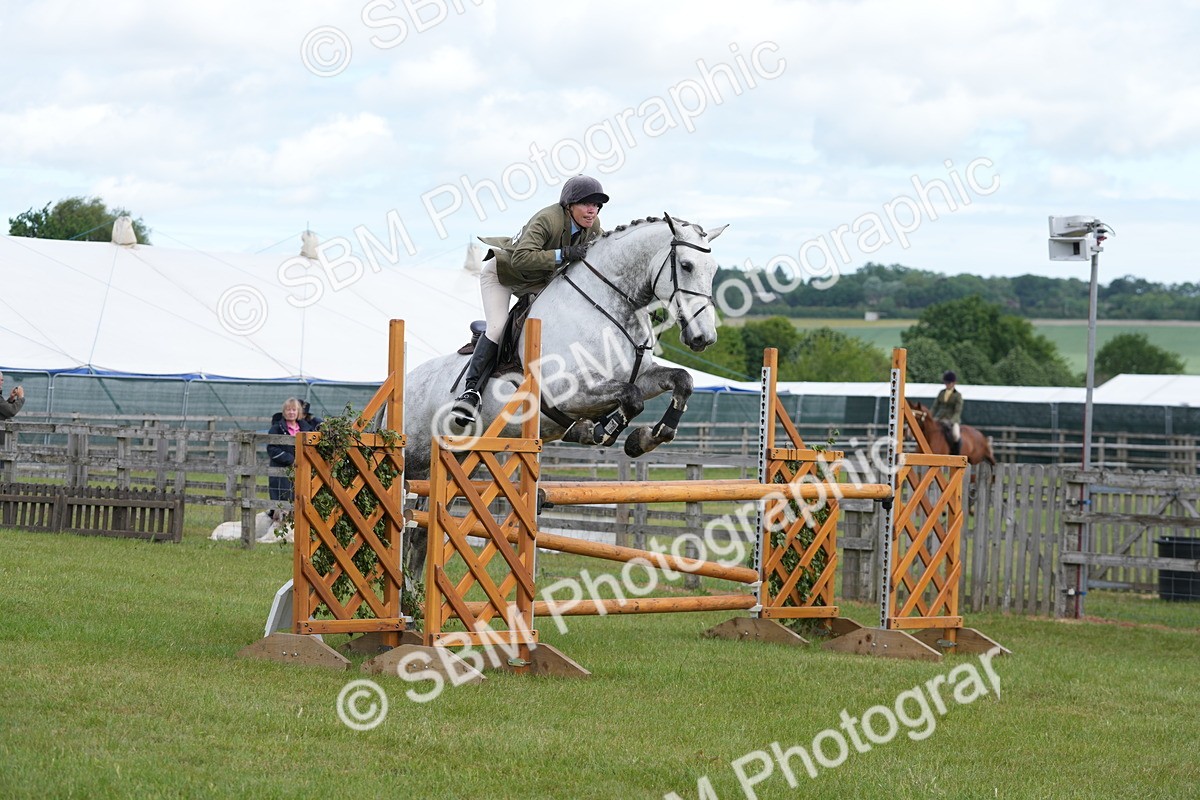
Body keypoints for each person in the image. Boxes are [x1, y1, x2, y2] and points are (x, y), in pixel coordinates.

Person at [453, 174, 610, 425]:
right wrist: (564, 253)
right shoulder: (547, 218)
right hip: (503, 273)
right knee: (498, 326)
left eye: (597, 205)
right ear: (569, 205)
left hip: (536, 280)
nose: (592, 210)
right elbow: (520, 259)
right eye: (586, 204)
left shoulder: (593, 225)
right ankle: (469, 393)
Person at [266, 397, 317, 518]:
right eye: (288, 410)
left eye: (294, 410)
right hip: (282, 471)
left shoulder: (306, 429)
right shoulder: (276, 428)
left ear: (298, 412)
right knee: (283, 502)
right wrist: (291, 459)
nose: (291, 412)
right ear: (284, 412)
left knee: (302, 498)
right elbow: (272, 449)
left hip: (303, 470)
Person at [931, 370, 964, 455]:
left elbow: (958, 411)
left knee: (956, 435)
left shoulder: (957, 395)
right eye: (946, 383)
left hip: (952, 420)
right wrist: (930, 417)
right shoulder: (941, 393)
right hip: (939, 418)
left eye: (949, 383)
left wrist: (952, 421)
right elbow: (935, 407)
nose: (947, 385)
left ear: (954, 383)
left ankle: (956, 453)